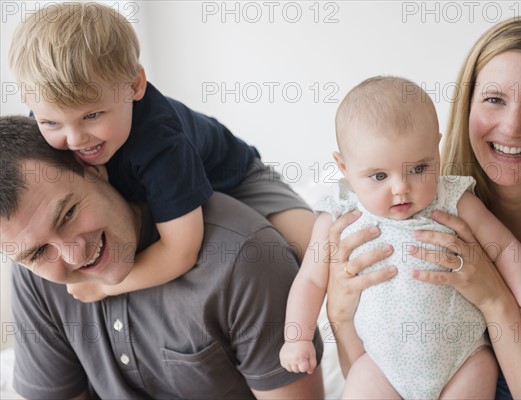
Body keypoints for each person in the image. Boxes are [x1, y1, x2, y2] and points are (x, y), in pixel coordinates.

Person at [326, 16, 521, 399]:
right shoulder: (404, 210)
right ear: (467, 106)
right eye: (493, 100)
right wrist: (339, 316)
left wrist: (495, 300)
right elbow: (373, 374)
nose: (511, 126)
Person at [7, 2, 315, 302]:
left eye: (92, 116)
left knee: (317, 251)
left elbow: (180, 252)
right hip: (163, 183)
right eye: (51, 122)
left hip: (237, 178)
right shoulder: (50, 133)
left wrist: (105, 288)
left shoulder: (158, 142)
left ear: (135, 85)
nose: (74, 139)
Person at [0, 115, 324, 399]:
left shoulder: (243, 257)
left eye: (68, 214)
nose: (73, 255)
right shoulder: (35, 276)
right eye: (38, 252)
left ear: (93, 167)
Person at [280, 76, 521, 399]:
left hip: (462, 359)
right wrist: (297, 337)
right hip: (379, 366)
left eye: (418, 168)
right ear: (344, 166)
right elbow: (311, 282)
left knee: (481, 367)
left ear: (435, 147)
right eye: (379, 176)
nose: (401, 187)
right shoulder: (338, 216)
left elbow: (506, 248)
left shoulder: (452, 199)